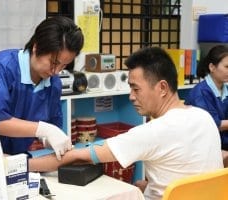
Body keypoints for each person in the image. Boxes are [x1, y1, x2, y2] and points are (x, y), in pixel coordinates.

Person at [28, 47, 223, 200]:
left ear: (162, 87)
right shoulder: (204, 117)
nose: (131, 96)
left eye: (136, 89)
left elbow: (77, 155)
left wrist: (24, 166)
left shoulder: (153, 132)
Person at [0, 16, 84, 160]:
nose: (56, 71)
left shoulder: (53, 84)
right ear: (36, 47)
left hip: (12, 159)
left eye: (64, 65)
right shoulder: (0, 68)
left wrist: (50, 140)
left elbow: (51, 125)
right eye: (54, 62)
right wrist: (44, 130)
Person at [184, 45, 228, 166]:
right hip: (202, 148)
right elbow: (213, 124)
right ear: (212, 67)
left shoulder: (225, 88)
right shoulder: (200, 93)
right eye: (226, 67)